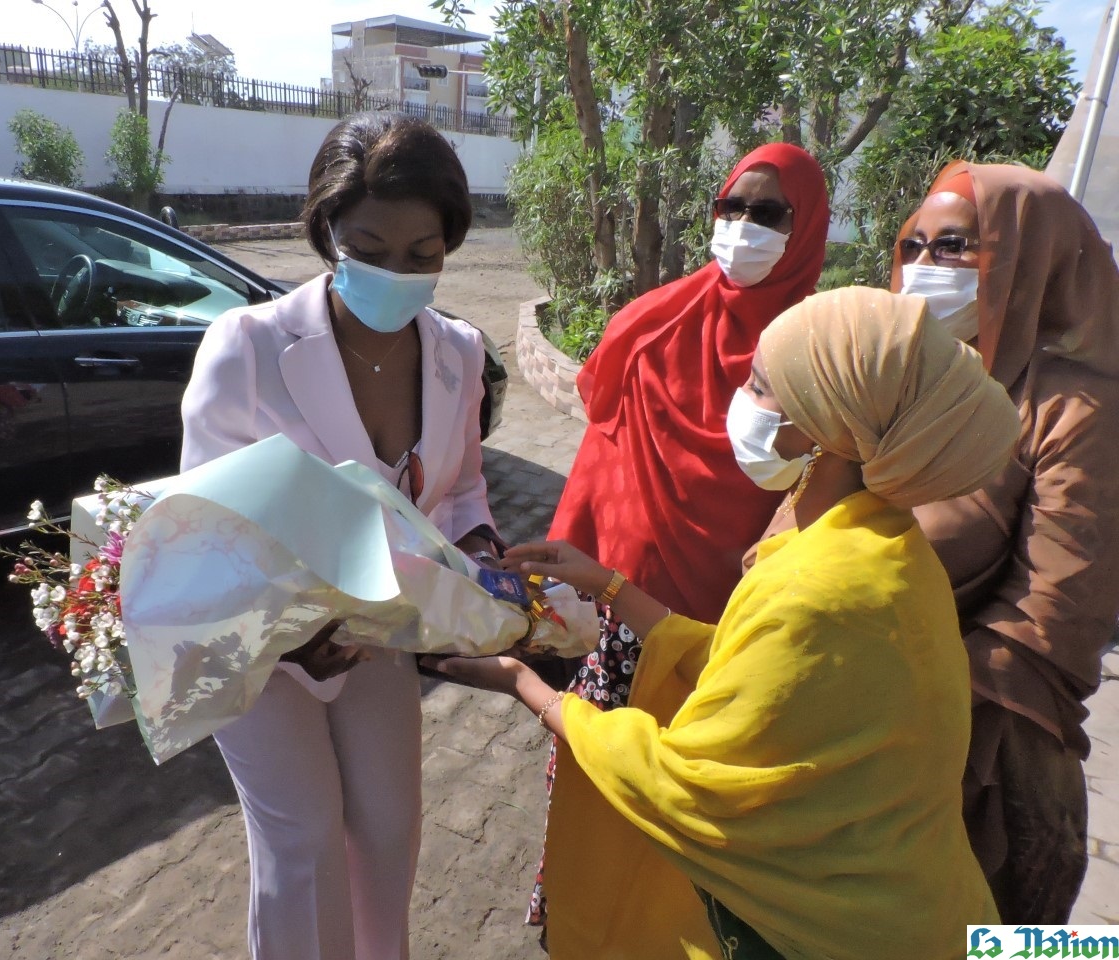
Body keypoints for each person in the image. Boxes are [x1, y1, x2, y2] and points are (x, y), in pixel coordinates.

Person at [426, 287, 1017, 960]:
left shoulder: (823, 586)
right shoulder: (879, 543)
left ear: (827, 427)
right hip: (911, 896)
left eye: (762, 386)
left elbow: (686, 786)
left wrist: (524, 686)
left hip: (839, 934)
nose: (741, 398)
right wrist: (610, 585)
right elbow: (748, 669)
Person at [180, 112, 502, 960]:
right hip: (259, 648)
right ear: (327, 231)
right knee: (305, 841)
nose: (397, 273)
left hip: (375, 636)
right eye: (370, 246)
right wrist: (298, 633)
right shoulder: (246, 349)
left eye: (422, 255)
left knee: (390, 829)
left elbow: (461, 486)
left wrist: (481, 558)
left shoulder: (459, 354)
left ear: (449, 248)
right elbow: (208, 532)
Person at [525, 142, 829, 927]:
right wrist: (562, 584)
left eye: (769, 214)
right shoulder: (660, 321)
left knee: (691, 824)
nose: (743, 227)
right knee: (599, 795)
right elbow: (603, 444)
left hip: (725, 640)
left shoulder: (820, 356)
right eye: (732, 208)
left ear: (808, 230)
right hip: (617, 617)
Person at [893, 162, 1119, 922]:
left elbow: (1052, 614)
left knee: (994, 943)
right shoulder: (919, 370)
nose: (925, 268)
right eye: (914, 245)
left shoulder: (1079, 407)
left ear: (1032, 256)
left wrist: (891, 702)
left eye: (954, 246)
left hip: (975, 764)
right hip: (860, 727)